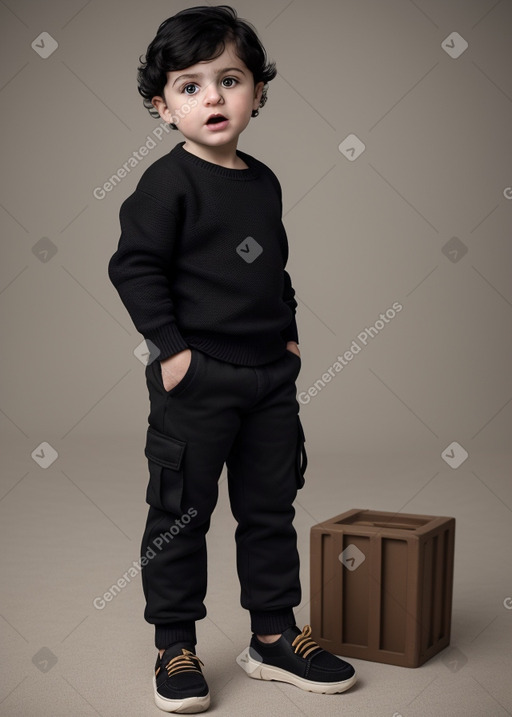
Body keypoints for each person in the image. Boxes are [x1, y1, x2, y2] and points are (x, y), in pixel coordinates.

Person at [108, 5, 356, 713]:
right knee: (181, 512)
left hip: (269, 380)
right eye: (190, 86)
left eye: (230, 79)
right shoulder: (168, 183)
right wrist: (174, 352)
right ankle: (174, 642)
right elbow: (134, 268)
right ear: (163, 106)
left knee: (270, 508)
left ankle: (274, 635)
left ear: (258, 93)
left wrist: (291, 335)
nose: (212, 97)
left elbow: (270, 268)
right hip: (199, 382)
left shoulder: (264, 180)